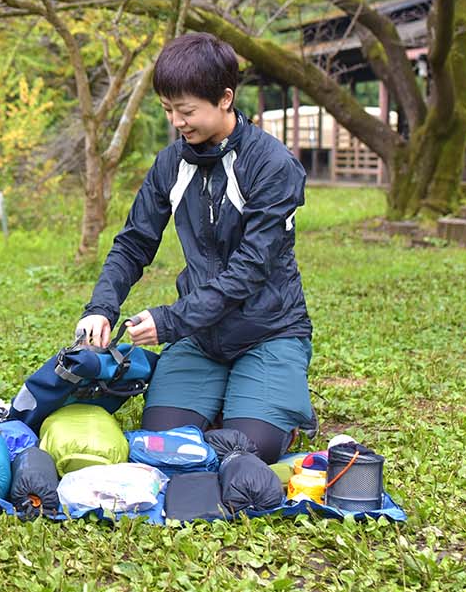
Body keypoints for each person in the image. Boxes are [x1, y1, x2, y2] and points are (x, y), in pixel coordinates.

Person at [76, 32, 313, 464]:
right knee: (161, 440)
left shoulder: (272, 165)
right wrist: (101, 308)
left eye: (186, 111)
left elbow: (250, 268)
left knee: (251, 449)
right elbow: (133, 244)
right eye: (168, 110)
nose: (176, 123)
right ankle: (231, 399)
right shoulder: (171, 164)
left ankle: (267, 405)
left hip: (269, 332)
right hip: (201, 337)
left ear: (225, 98)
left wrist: (169, 320)